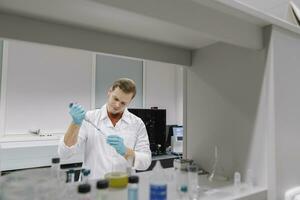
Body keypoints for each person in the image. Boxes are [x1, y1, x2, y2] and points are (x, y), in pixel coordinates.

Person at [58, 78, 151, 179]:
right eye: (115, 99)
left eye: (123, 103)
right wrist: (75, 123)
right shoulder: (90, 118)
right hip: (93, 187)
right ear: (109, 91)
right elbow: (64, 153)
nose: (117, 105)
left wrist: (126, 151)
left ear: (130, 102)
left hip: (123, 187)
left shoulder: (137, 124)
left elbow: (145, 162)